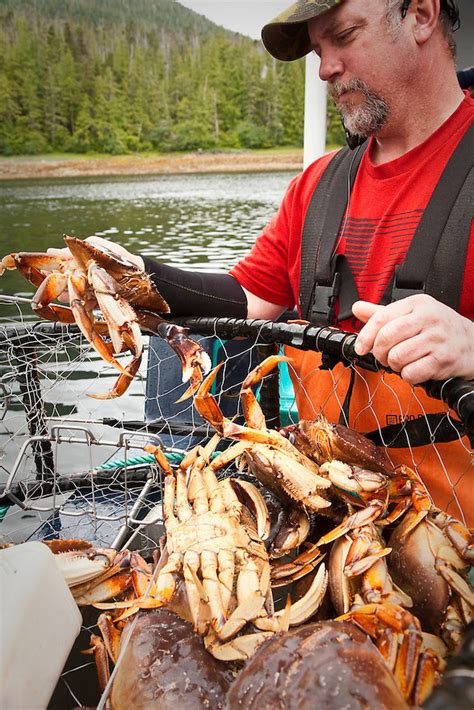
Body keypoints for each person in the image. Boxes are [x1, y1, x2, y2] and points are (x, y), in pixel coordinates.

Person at [54, 0, 473, 522]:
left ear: (422, 15)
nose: (325, 68)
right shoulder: (317, 188)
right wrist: (124, 272)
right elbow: (246, 298)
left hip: (450, 536)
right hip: (321, 513)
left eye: (344, 35)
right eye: (319, 50)